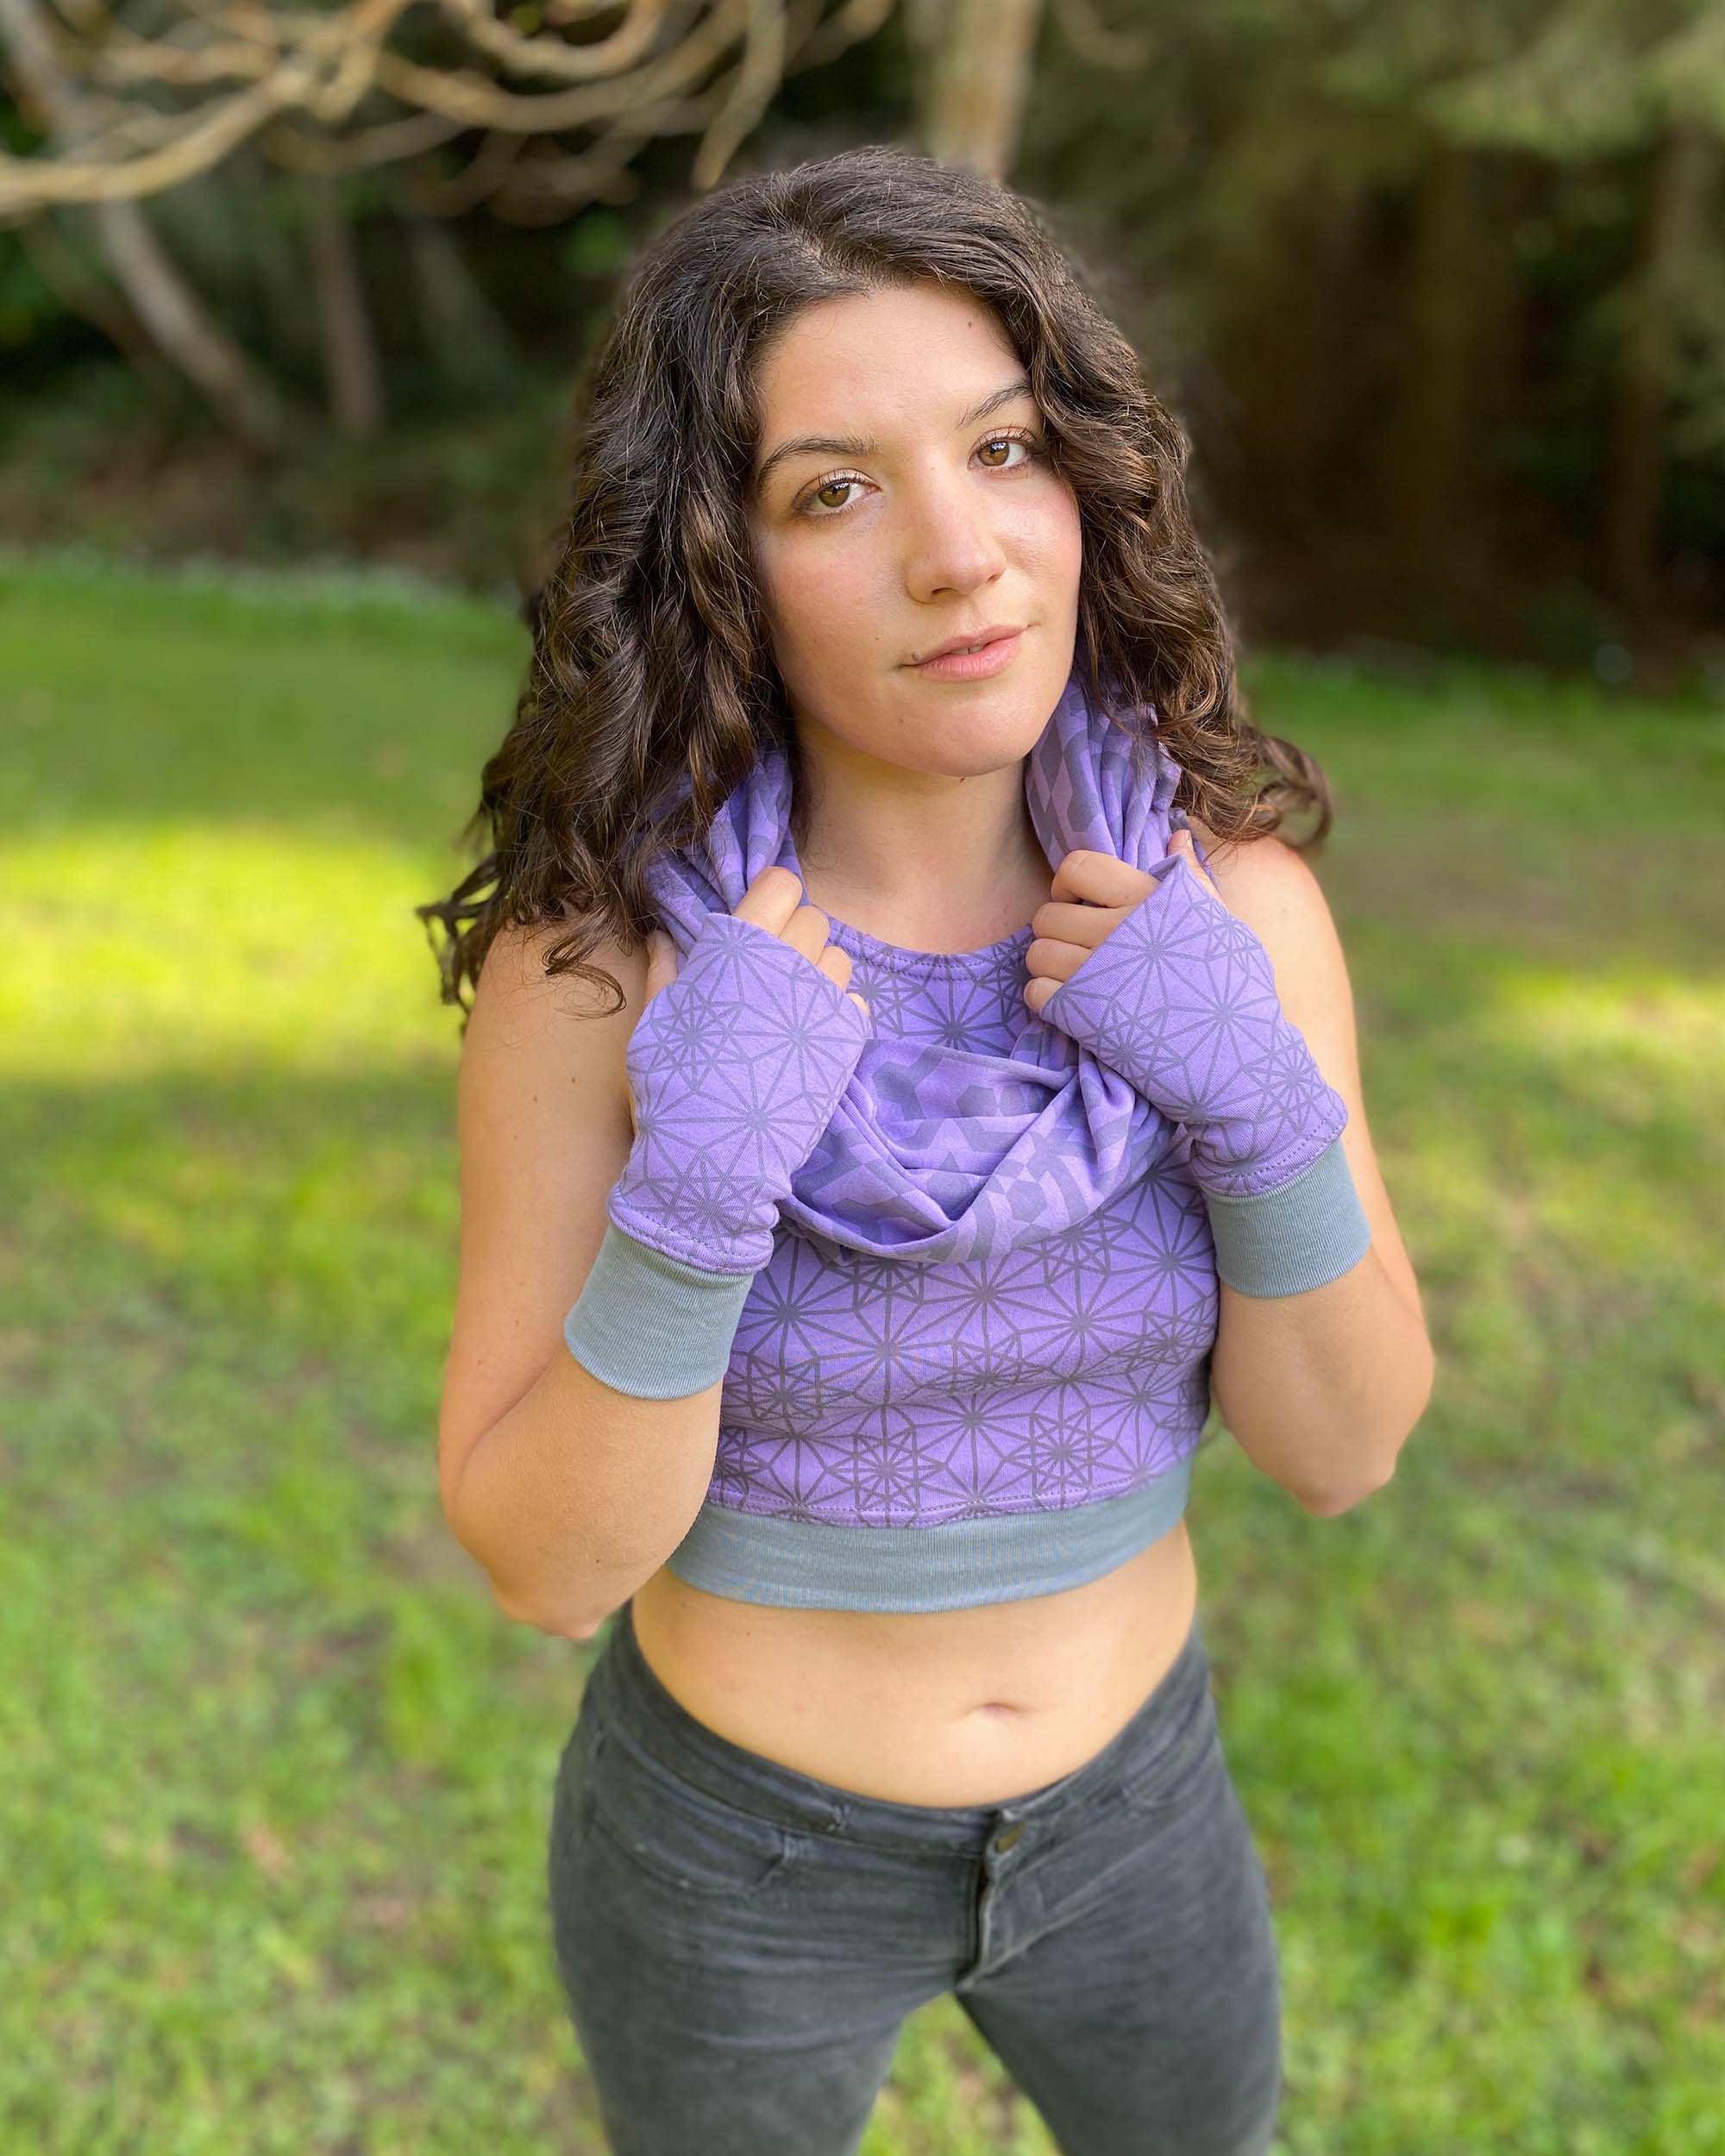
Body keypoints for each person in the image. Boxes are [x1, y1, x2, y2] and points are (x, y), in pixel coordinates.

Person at [419, 143, 1435, 2156]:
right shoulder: (604, 976)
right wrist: (695, 1186)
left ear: (1086, 482)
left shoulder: (1228, 914)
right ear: (714, 560)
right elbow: (544, 1565)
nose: (960, 554)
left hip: (1136, 1807)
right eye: (836, 489)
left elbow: (1345, 1449)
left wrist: (1254, 1099)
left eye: (1002, 447)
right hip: (736, 1850)